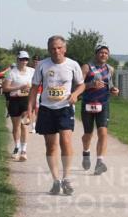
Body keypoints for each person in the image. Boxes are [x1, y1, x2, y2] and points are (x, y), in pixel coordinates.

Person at [28, 36, 85, 196]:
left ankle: (66, 178)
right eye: (53, 48)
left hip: (65, 108)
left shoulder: (73, 65)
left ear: (64, 49)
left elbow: (82, 84)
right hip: (47, 108)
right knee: (51, 146)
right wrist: (30, 107)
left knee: (65, 140)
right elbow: (34, 88)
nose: (56, 51)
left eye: (59, 47)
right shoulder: (42, 65)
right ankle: (55, 180)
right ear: (49, 50)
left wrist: (75, 93)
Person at [80, 44, 120, 175]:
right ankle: (86, 153)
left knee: (103, 132)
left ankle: (99, 162)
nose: (104, 55)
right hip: (88, 103)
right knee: (88, 134)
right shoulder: (87, 67)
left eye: (106, 53)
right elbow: (78, 85)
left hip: (103, 103)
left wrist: (114, 90)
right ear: (96, 54)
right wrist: (91, 84)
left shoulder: (110, 69)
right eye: (101, 52)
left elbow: (110, 85)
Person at [4, 51, 35, 160]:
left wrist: (31, 89)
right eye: (22, 59)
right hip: (14, 100)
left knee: (24, 124)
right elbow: (5, 88)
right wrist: (19, 87)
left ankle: (24, 150)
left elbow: (37, 84)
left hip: (26, 100)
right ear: (17, 60)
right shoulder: (11, 72)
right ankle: (17, 147)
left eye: (26, 59)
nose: (24, 61)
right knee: (16, 126)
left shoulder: (32, 71)